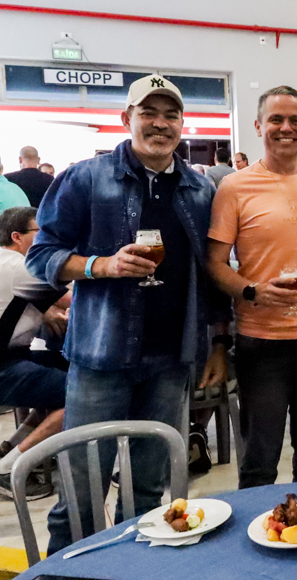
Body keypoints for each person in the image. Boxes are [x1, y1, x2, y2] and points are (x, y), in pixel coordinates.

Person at [26, 74, 230, 554]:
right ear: (126, 119)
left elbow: (211, 271)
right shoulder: (85, 178)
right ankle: (66, 571)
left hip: (172, 359)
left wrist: (219, 341)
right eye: (148, 113)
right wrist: (101, 265)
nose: (160, 124)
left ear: (182, 124)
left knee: (146, 490)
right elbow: (41, 255)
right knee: (81, 489)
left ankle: (131, 568)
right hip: (101, 356)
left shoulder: (199, 190)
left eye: (171, 115)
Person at [207, 86, 297, 488]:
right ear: (258, 127)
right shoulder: (234, 187)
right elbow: (214, 265)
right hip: (263, 343)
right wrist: (251, 290)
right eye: (276, 119)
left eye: (295, 120)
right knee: (260, 460)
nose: (286, 128)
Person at [0, 207, 68, 500]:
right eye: (41, 232)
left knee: (57, 374)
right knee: (81, 394)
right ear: (17, 237)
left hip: (12, 356)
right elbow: (73, 298)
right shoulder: (20, 267)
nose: (48, 238)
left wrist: (47, 310)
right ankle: (9, 468)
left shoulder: (7, 262)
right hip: (4, 366)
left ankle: (11, 448)